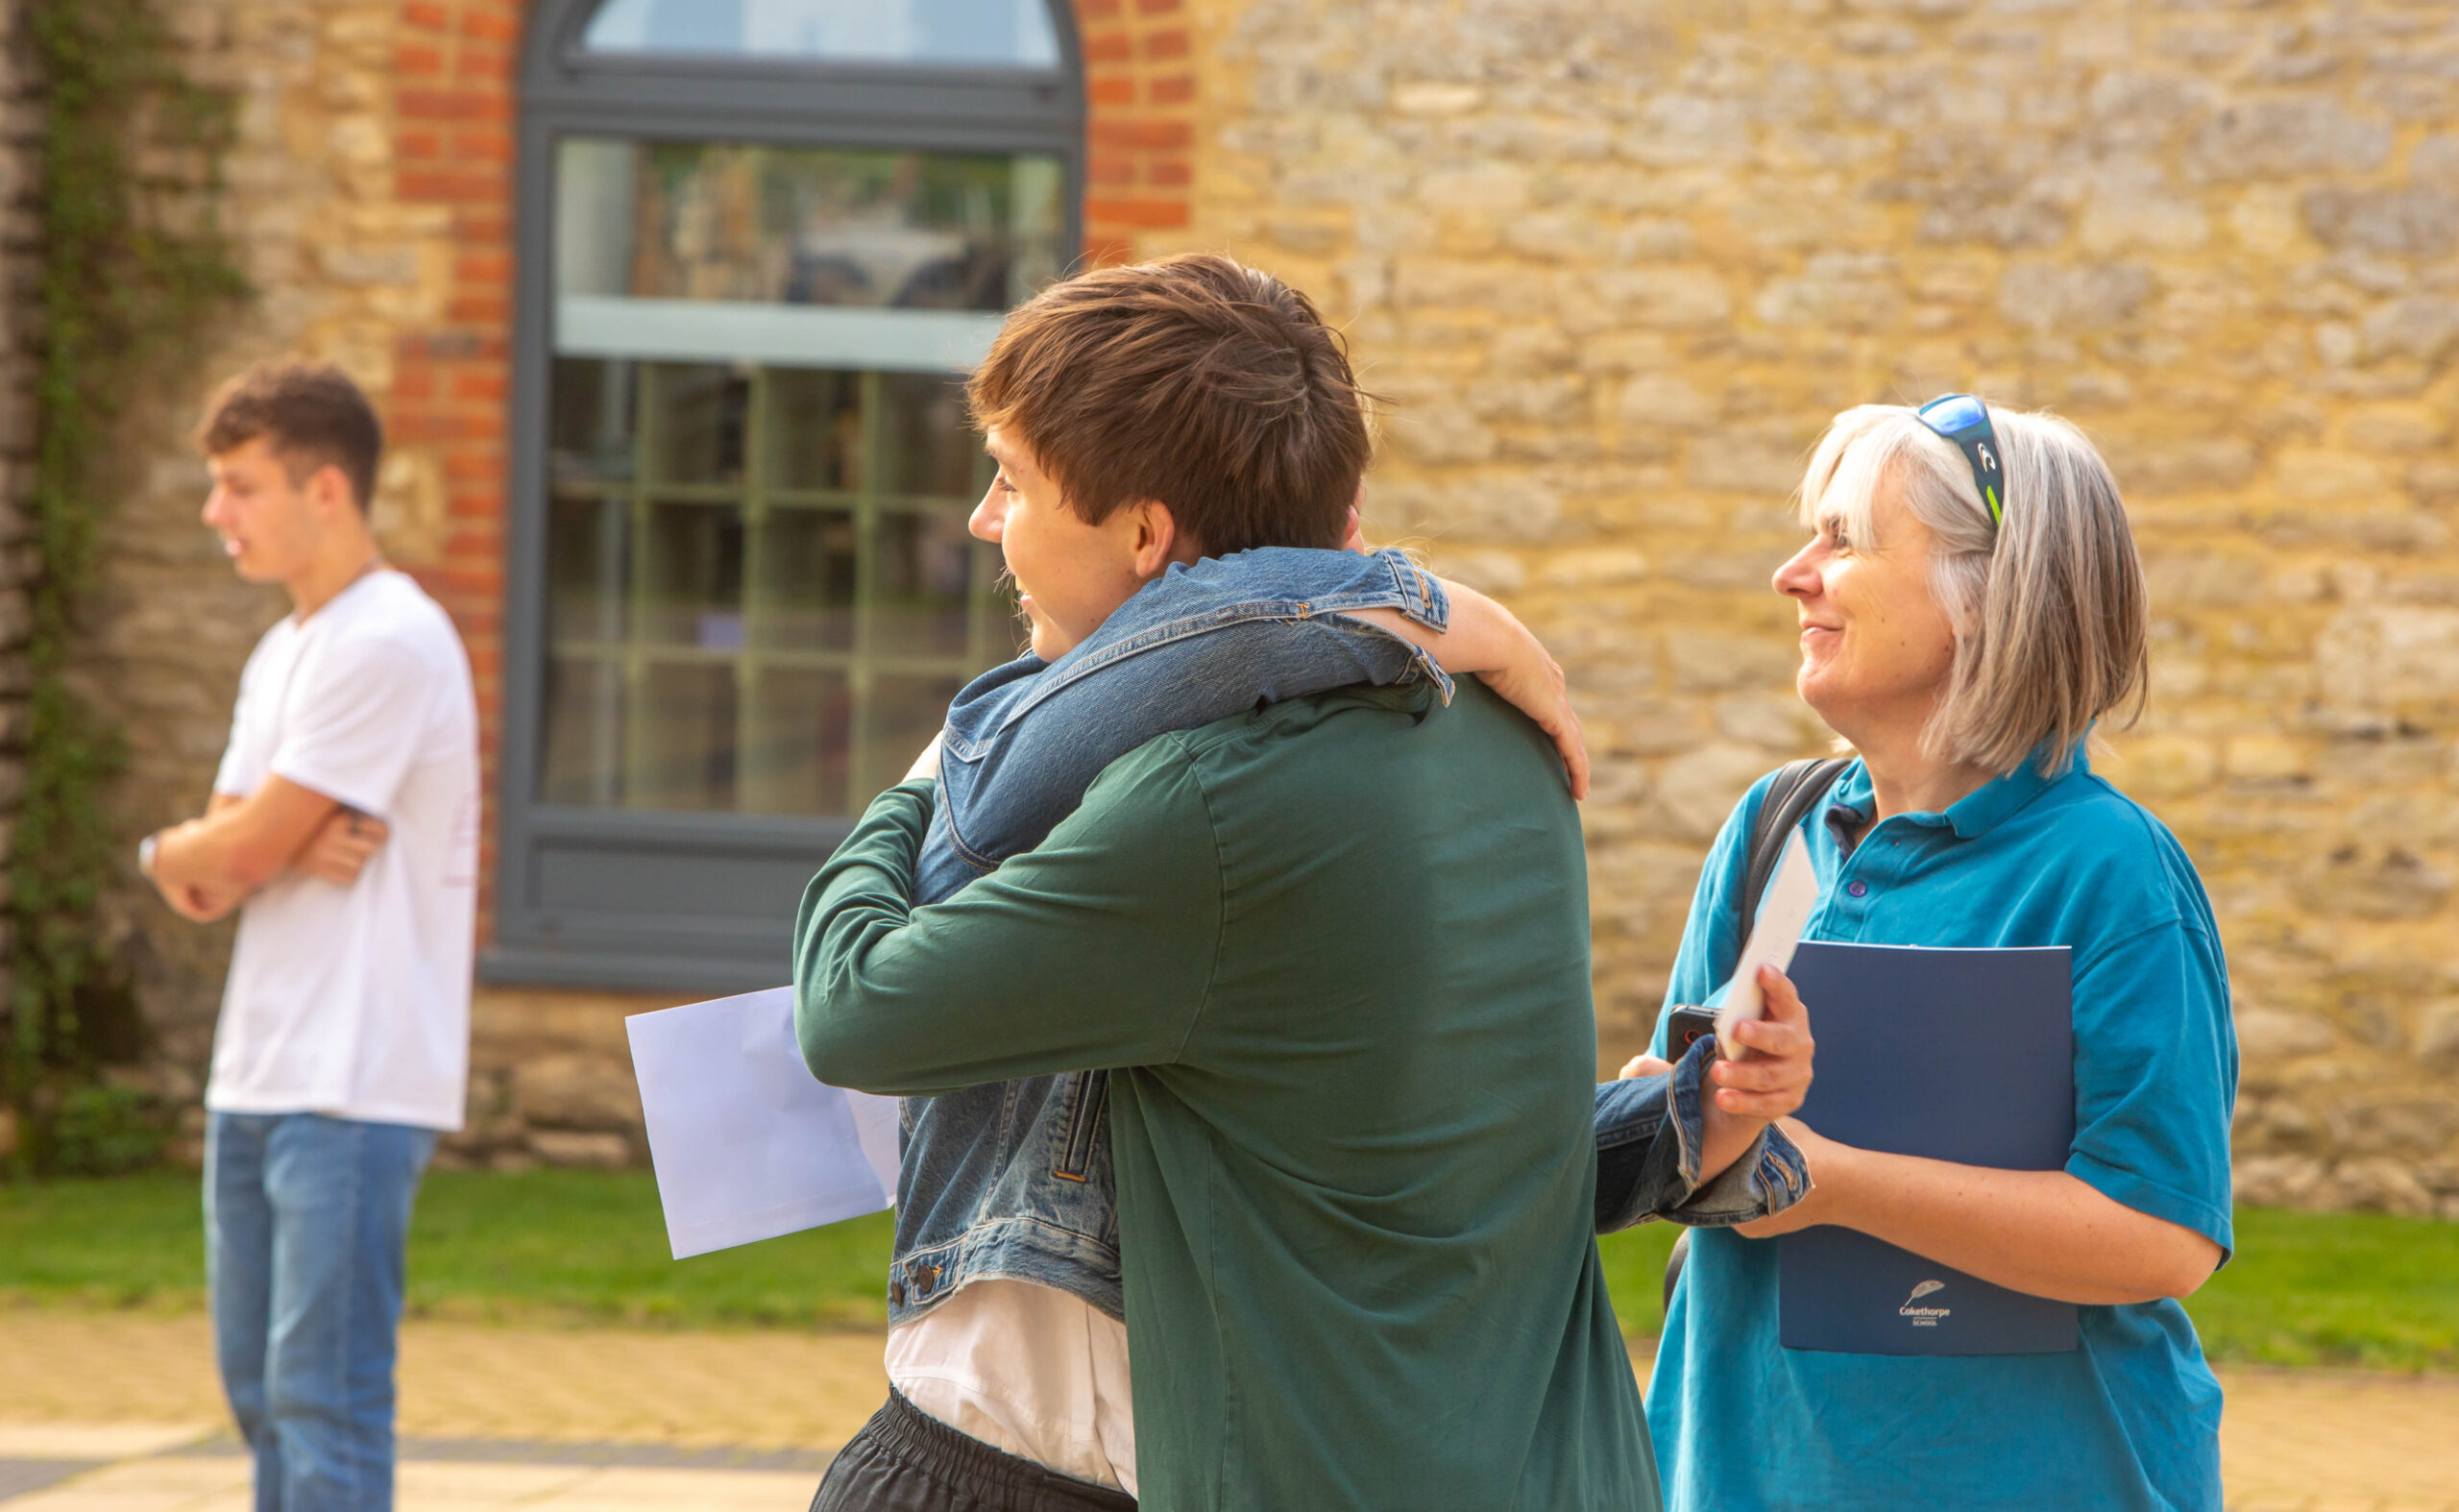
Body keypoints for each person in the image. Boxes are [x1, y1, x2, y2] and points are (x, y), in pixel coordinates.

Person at [795, 254, 1815, 1512]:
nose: (983, 519)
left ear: (1145, 531)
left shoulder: (1195, 801)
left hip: (1028, 1465)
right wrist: (1668, 1130)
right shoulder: (1504, 746)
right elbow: (1411, 1148)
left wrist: (929, 778)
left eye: (1012, 479)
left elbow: (851, 1008)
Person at [1640, 398, 2237, 1512]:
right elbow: (1688, 1140)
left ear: (1987, 596)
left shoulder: (2110, 871)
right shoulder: (1773, 829)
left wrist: (1832, 1184)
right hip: (1738, 1474)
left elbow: (2161, 1238)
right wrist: (1690, 1113)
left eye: (1845, 540)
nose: (1793, 573)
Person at [140, 361, 480, 1512]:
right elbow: (215, 871)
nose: (214, 513)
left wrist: (233, 843)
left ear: (324, 489)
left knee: (322, 1403)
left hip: (352, 1081)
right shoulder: (285, 648)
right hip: (262, 1071)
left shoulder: (384, 638)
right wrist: (210, 846)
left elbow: (230, 856)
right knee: (260, 1393)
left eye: (239, 487)